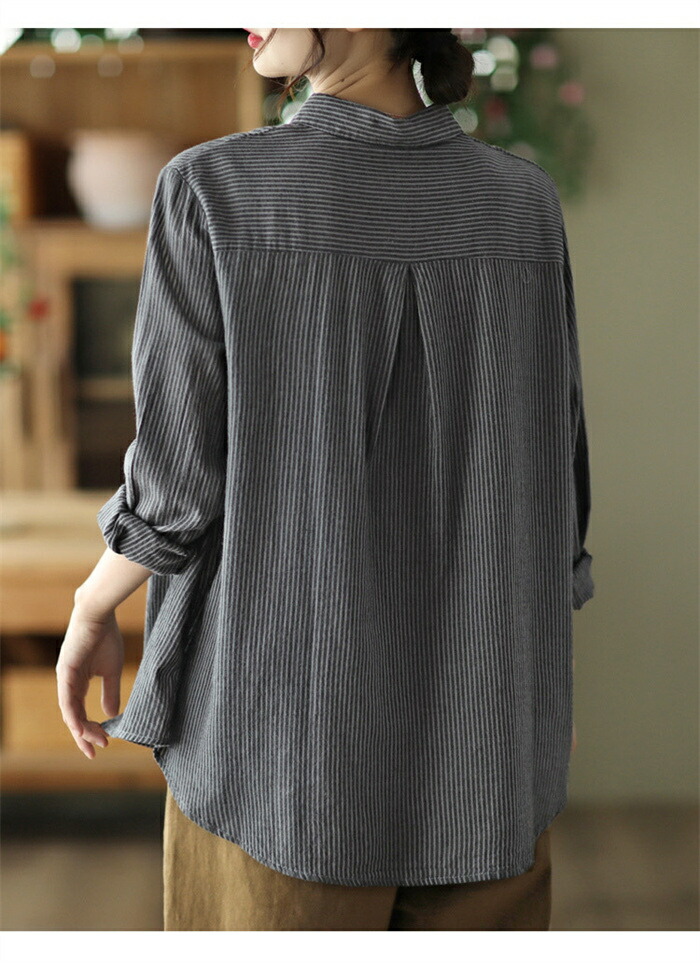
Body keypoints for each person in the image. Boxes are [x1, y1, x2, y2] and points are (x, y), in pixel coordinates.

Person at [56, 27, 595, 931]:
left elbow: (177, 485)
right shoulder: (523, 203)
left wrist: (91, 605)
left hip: (283, 762)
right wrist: (540, 679)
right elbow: (557, 467)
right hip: (492, 746)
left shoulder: (213, 189)